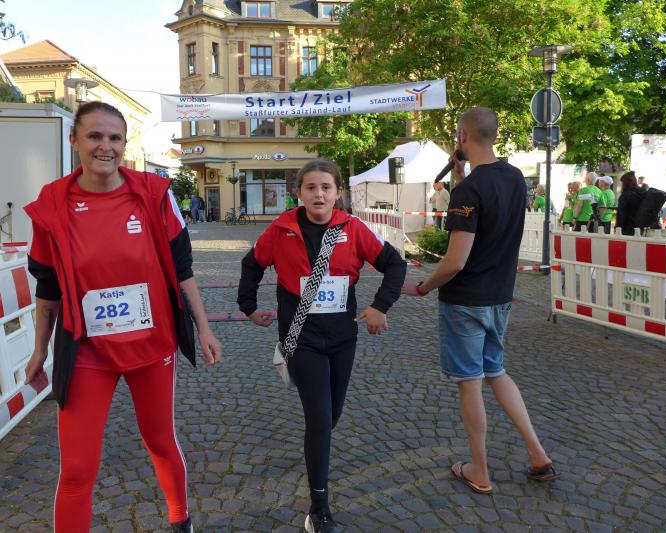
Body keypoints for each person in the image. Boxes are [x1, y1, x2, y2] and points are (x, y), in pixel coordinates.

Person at [23, 101, 222, 533]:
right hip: (87, 350)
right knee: (77, 469)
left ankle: (180, 520)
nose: (105, 147)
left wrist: (204, 328)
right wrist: (39, 348)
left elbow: (182, 269)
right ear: (74, 140)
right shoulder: (52, 204)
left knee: (159, 440)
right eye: (94, 136)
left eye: (115, 138)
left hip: (152, 345)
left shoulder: (153, 194)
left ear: (124, 144)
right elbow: (48, 287)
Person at [237, 159, 406, 533]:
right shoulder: (281, 229)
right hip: (301, 338)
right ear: (299, 192)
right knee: (318, 418)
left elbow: (395, 264)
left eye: (326, 187)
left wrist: (380, 306)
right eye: (311, 187)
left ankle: (316, 454)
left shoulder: (353, 228)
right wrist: (248, 307)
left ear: (338, 192)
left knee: (330, 416)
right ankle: (319, 510)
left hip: (343, 337)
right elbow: (252, 264)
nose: (319, 194)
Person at [402, 107, 559, 495]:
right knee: (496, 372)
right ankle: (538, 453)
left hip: (466, 301)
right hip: (500, 296)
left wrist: (423, 287)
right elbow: (490, 215)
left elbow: (455, 262)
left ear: (462, 137)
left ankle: (480, 471)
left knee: (470, 382)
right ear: (494, 135)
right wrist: (461, 180)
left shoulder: (468, 191)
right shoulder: (514, 177)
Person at [616, 171, 645, 236]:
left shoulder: (625, 195)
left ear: (625, 183)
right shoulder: (643, 192)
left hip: (627, 229)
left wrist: (617, 228)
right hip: (640, 228)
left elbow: (621, 215)